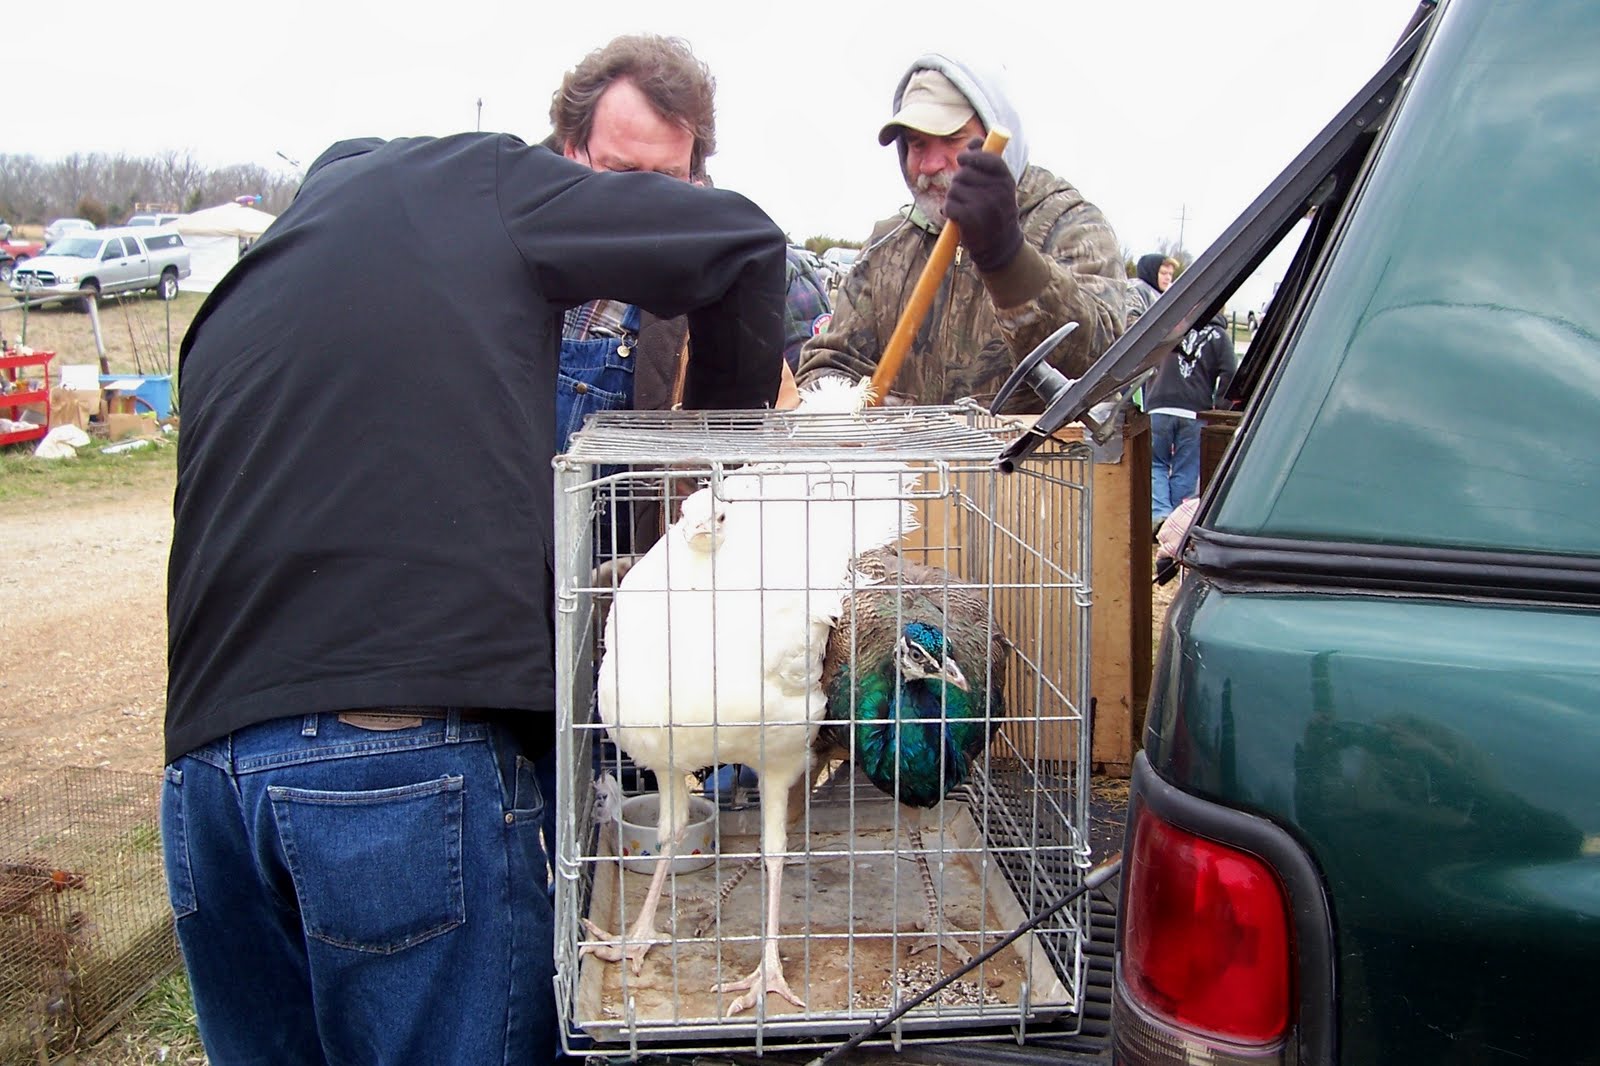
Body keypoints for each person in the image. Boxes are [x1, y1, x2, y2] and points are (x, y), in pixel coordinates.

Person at [162, 132, 785, 1065]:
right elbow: (740, 240)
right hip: (391, 763)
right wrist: (718, 470)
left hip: (202, 789)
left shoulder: (234, 297)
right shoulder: (467, 181)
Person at [796, 54, 1125, 411]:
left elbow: (1105, 370)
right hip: (908, 450)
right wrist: (852, 410)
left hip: (1038, 450)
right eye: (917, 144)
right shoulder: (887, 246)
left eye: (952, 138)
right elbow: (831, 363)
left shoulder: (1070, 223)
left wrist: (1008, 259)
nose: (929, 165)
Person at [548, 34, 810, 450]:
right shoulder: (509, 261)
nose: (642, 201)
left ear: (694, 176)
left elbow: (782, 435)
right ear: (571, 153)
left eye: (666, 179)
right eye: (622, 172)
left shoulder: (737, 286)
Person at [1146, 309, 1237, 530]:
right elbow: (1230, 372)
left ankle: (1160, 513)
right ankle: (1177, 521)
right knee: (1186, 468)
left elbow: (1143, 361)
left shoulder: (1170, 327)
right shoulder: (1219, 336)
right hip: (1195, 410)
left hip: (1159, 405)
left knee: (1156, 462)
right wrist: (1220, 406)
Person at [1125, 252, 1177, 329]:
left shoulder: (1164, 294)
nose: (1168, 278)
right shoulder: (1134, 291)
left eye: (1170, 274)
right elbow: (1132, 328)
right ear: (1151, 272)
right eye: (1163, 273)